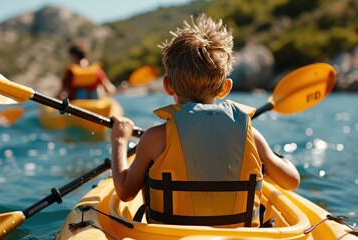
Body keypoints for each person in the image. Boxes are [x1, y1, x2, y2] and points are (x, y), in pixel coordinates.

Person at [110, 13, 300, 227]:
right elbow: (292, 181)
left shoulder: (154, 137)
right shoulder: (250, 134)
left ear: (167, 85)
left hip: (170, 235)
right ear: (225, 88)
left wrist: (119, 140)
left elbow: (125, 192)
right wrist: (269, 157)